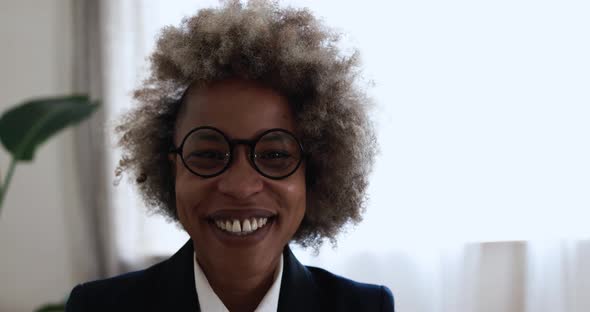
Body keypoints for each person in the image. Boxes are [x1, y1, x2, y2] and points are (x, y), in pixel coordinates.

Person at [66, 1, 394, 311]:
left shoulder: (365, 307)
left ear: (313, 174)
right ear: (173, 170)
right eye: (209, 154)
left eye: (275, 154)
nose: (240, 185)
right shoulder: (97, 306)